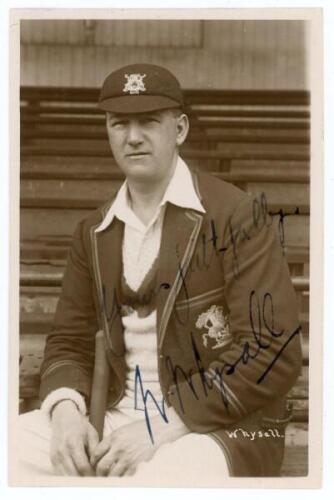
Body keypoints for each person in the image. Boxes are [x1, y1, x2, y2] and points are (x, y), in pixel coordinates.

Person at [18, 63, 302, 482]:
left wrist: (157, 426)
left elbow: (271, 349)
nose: (133, 137)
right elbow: (68, 340)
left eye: (149, 121)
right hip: (112, 417)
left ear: (180, 129)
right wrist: (65, 412)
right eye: (119, 123)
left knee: (161, 480)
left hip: (216, 426)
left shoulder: (237, 215)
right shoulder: (94, 231)